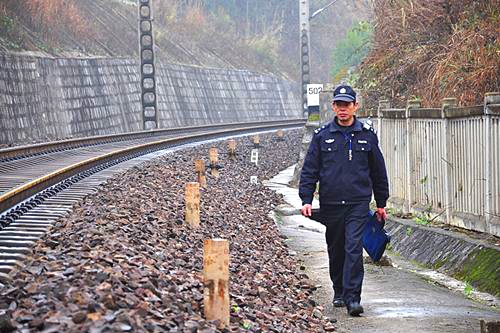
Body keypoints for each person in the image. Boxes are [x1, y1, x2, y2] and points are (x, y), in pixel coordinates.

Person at [299, 84, 389, 316]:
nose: (342, 109)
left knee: (353, 249)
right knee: (336, 248)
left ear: (355, 106)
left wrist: (381, 203)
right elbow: (310, 170)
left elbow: (378, 171)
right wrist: (306, 199)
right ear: (334, 107)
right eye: (339, 104)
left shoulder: (367, 135)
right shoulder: (322, 136)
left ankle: (353, 298)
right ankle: (339, 290)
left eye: (347, 104)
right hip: (331, 204)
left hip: (358, 203)